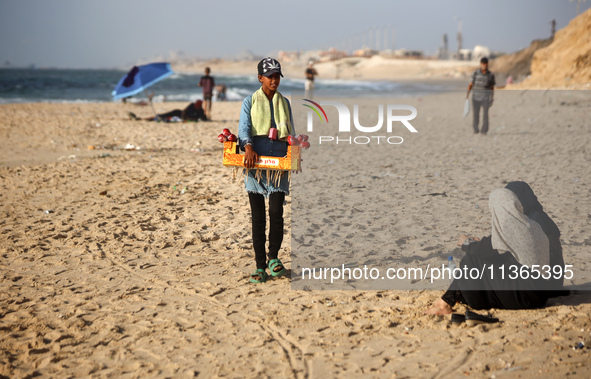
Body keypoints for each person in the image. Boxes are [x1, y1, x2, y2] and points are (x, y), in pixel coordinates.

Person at [426, 187, 560, 315]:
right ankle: (451, 299)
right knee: (483, 262)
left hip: (526, 296)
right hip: (542, 292)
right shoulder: (533, 225)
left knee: (471, 261)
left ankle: (445, 303)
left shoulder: (510, 228)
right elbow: (495, 251)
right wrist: (476, 245)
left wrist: (465, 241)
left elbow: (479, 249)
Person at [238, 57, 295, 283]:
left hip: (279, 161)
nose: (274, 80)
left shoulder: (285, 103)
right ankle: (260, 266)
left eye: (277, 76)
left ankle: (273, 257)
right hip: (256, 163)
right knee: (258, 217)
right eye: (270, 76)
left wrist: (295, 149)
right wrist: (248, 147)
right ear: (260, 78)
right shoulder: (249, 101)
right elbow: (244, 128)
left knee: (276, 212)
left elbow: (290, 132)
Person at [466, 57, 495, 135]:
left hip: (485, 97)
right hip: (475, 97)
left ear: (487, 64)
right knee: (476, 114)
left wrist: (492, 98)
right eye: (483, 64)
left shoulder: (490, 75)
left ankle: (484, 130)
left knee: (485, 114)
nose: (484, 65)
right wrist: (467, 94)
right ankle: (475, 129)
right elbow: (471, 84)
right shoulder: (475, 73)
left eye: (486, 64)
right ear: (480, 64)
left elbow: (492, 87)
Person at [128, 100, 207, 122]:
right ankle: (142, 118)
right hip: (178, 113)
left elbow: (201, 118)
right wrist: (184, 116)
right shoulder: (192, 105)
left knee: (162, 117)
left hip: (181, 116)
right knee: (162, 116)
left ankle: (142, 119)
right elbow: (184, 111)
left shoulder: (200, 111)